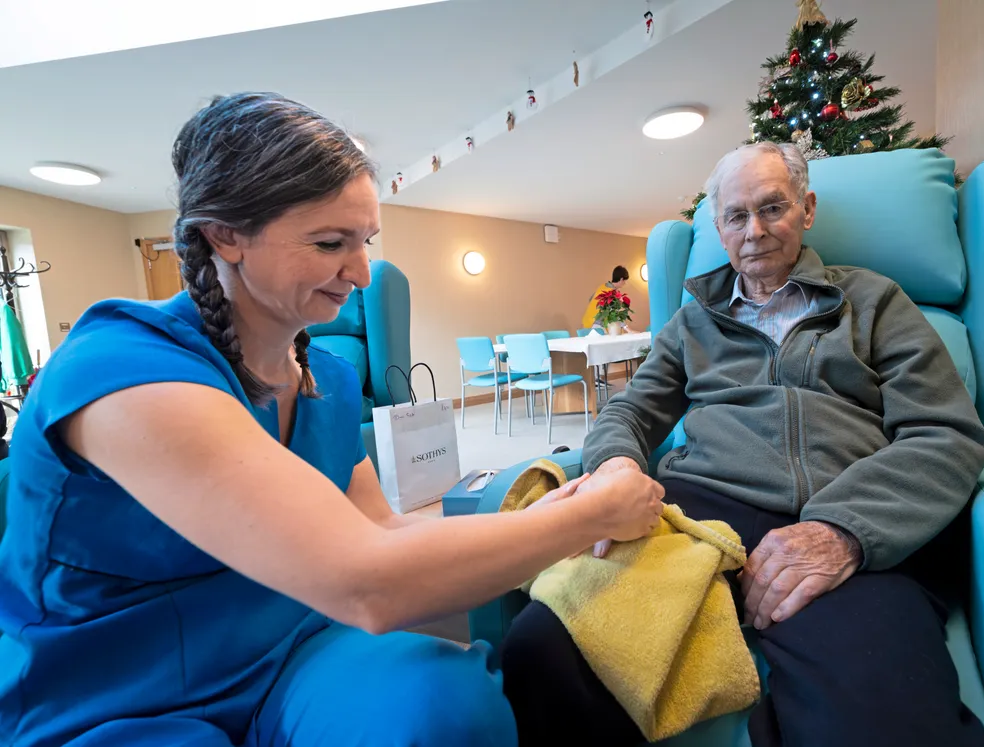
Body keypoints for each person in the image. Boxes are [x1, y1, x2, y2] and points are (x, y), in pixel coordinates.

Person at [0, 93, 666, 747]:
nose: (363, 271)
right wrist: (589, 515)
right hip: (115, 695)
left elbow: (379, 528)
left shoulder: (332, 381)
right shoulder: (120, 369)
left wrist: (546, 519)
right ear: (224, 235)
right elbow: (365, 579)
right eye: (329, 242)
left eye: (366, 240)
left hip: (288, 652)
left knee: (445, 706)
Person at [499, 142, 984, 747]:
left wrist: (841, 531)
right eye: (736, 216)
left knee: (884, 721)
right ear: (719, 227)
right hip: (700, 512)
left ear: (807, 209)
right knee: (543, 649)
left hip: (846, 512)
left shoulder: (873, 300)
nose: (754, 232)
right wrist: (617, 466)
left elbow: (947, 432)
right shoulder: (690, 323)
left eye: (772, 208)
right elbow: (629, 410)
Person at [582, 265, 631, 331]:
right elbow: (614, 313)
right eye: (625, 281)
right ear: (621, 279)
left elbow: (590, 300)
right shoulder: (612, 292)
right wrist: (627, 329)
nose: (624, 283)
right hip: (596, 325)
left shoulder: (602, 287)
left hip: (587, 321)